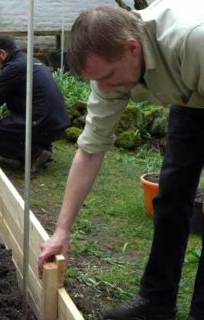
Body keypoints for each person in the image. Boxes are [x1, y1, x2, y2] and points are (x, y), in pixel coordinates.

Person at [38, 1, 204, 319]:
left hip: (198, 66)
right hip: (190, 95)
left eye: (109, 77)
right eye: (96, 79)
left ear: (132, 48)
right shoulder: (110, 70)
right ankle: (157, 301)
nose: (104, 88)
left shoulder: (192, 39)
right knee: (170, 196)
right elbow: (90, 149)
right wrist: (61, 230)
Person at [0, 36, 70, 172]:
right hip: (57, 122)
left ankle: (36, 154)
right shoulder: (30, 61)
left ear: (3, 54)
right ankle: (43, 148)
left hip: (42, 122)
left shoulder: (13, 68)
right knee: (7, 125)